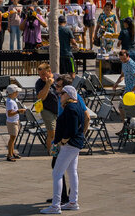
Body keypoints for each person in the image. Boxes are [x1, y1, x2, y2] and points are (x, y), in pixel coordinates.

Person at [40, 85, 85, 214]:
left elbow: (72, 129)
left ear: (69, 95)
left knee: (57, 173)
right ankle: (73, 202)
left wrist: (63, 140)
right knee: (72, 172)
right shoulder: (75, 106)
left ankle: (55, 206)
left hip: (69, 145)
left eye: (62, 93)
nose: (60, 96)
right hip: (74, 144)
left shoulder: (71, 108)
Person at [35, 63, 58, 153]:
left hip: (59, 108)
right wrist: (47, 85)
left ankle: (60, 151)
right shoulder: (39, 83)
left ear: (49, 72)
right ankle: (52, 153)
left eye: (43, 74)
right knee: (52, 133)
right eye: (40, 75)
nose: (41, 77)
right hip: (46, 109)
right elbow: (41, 98)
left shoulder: (58, 78)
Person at [114, 50, 135, 119]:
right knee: (121, 108)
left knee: (130, 109)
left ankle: (129, 126)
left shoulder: (131, 64)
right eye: (121, 59)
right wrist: (117, 83)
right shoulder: (123, 63)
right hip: (127, 89)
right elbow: (122, 75)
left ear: (128, 56)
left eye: (124, 59)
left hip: (134, 90)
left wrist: (133, 90)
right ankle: (125, 126)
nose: (123, 60)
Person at [4, 85, 26, 161]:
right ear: (12, 93)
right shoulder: (10, 102)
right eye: (16, 92)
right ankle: (9, 155)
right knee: (12, 139)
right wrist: (18, 111)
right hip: (12, 122)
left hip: (14, 121)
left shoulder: (11, 101)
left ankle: (12, 152)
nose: (17, 93)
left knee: (13, 138)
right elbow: (10, 113)